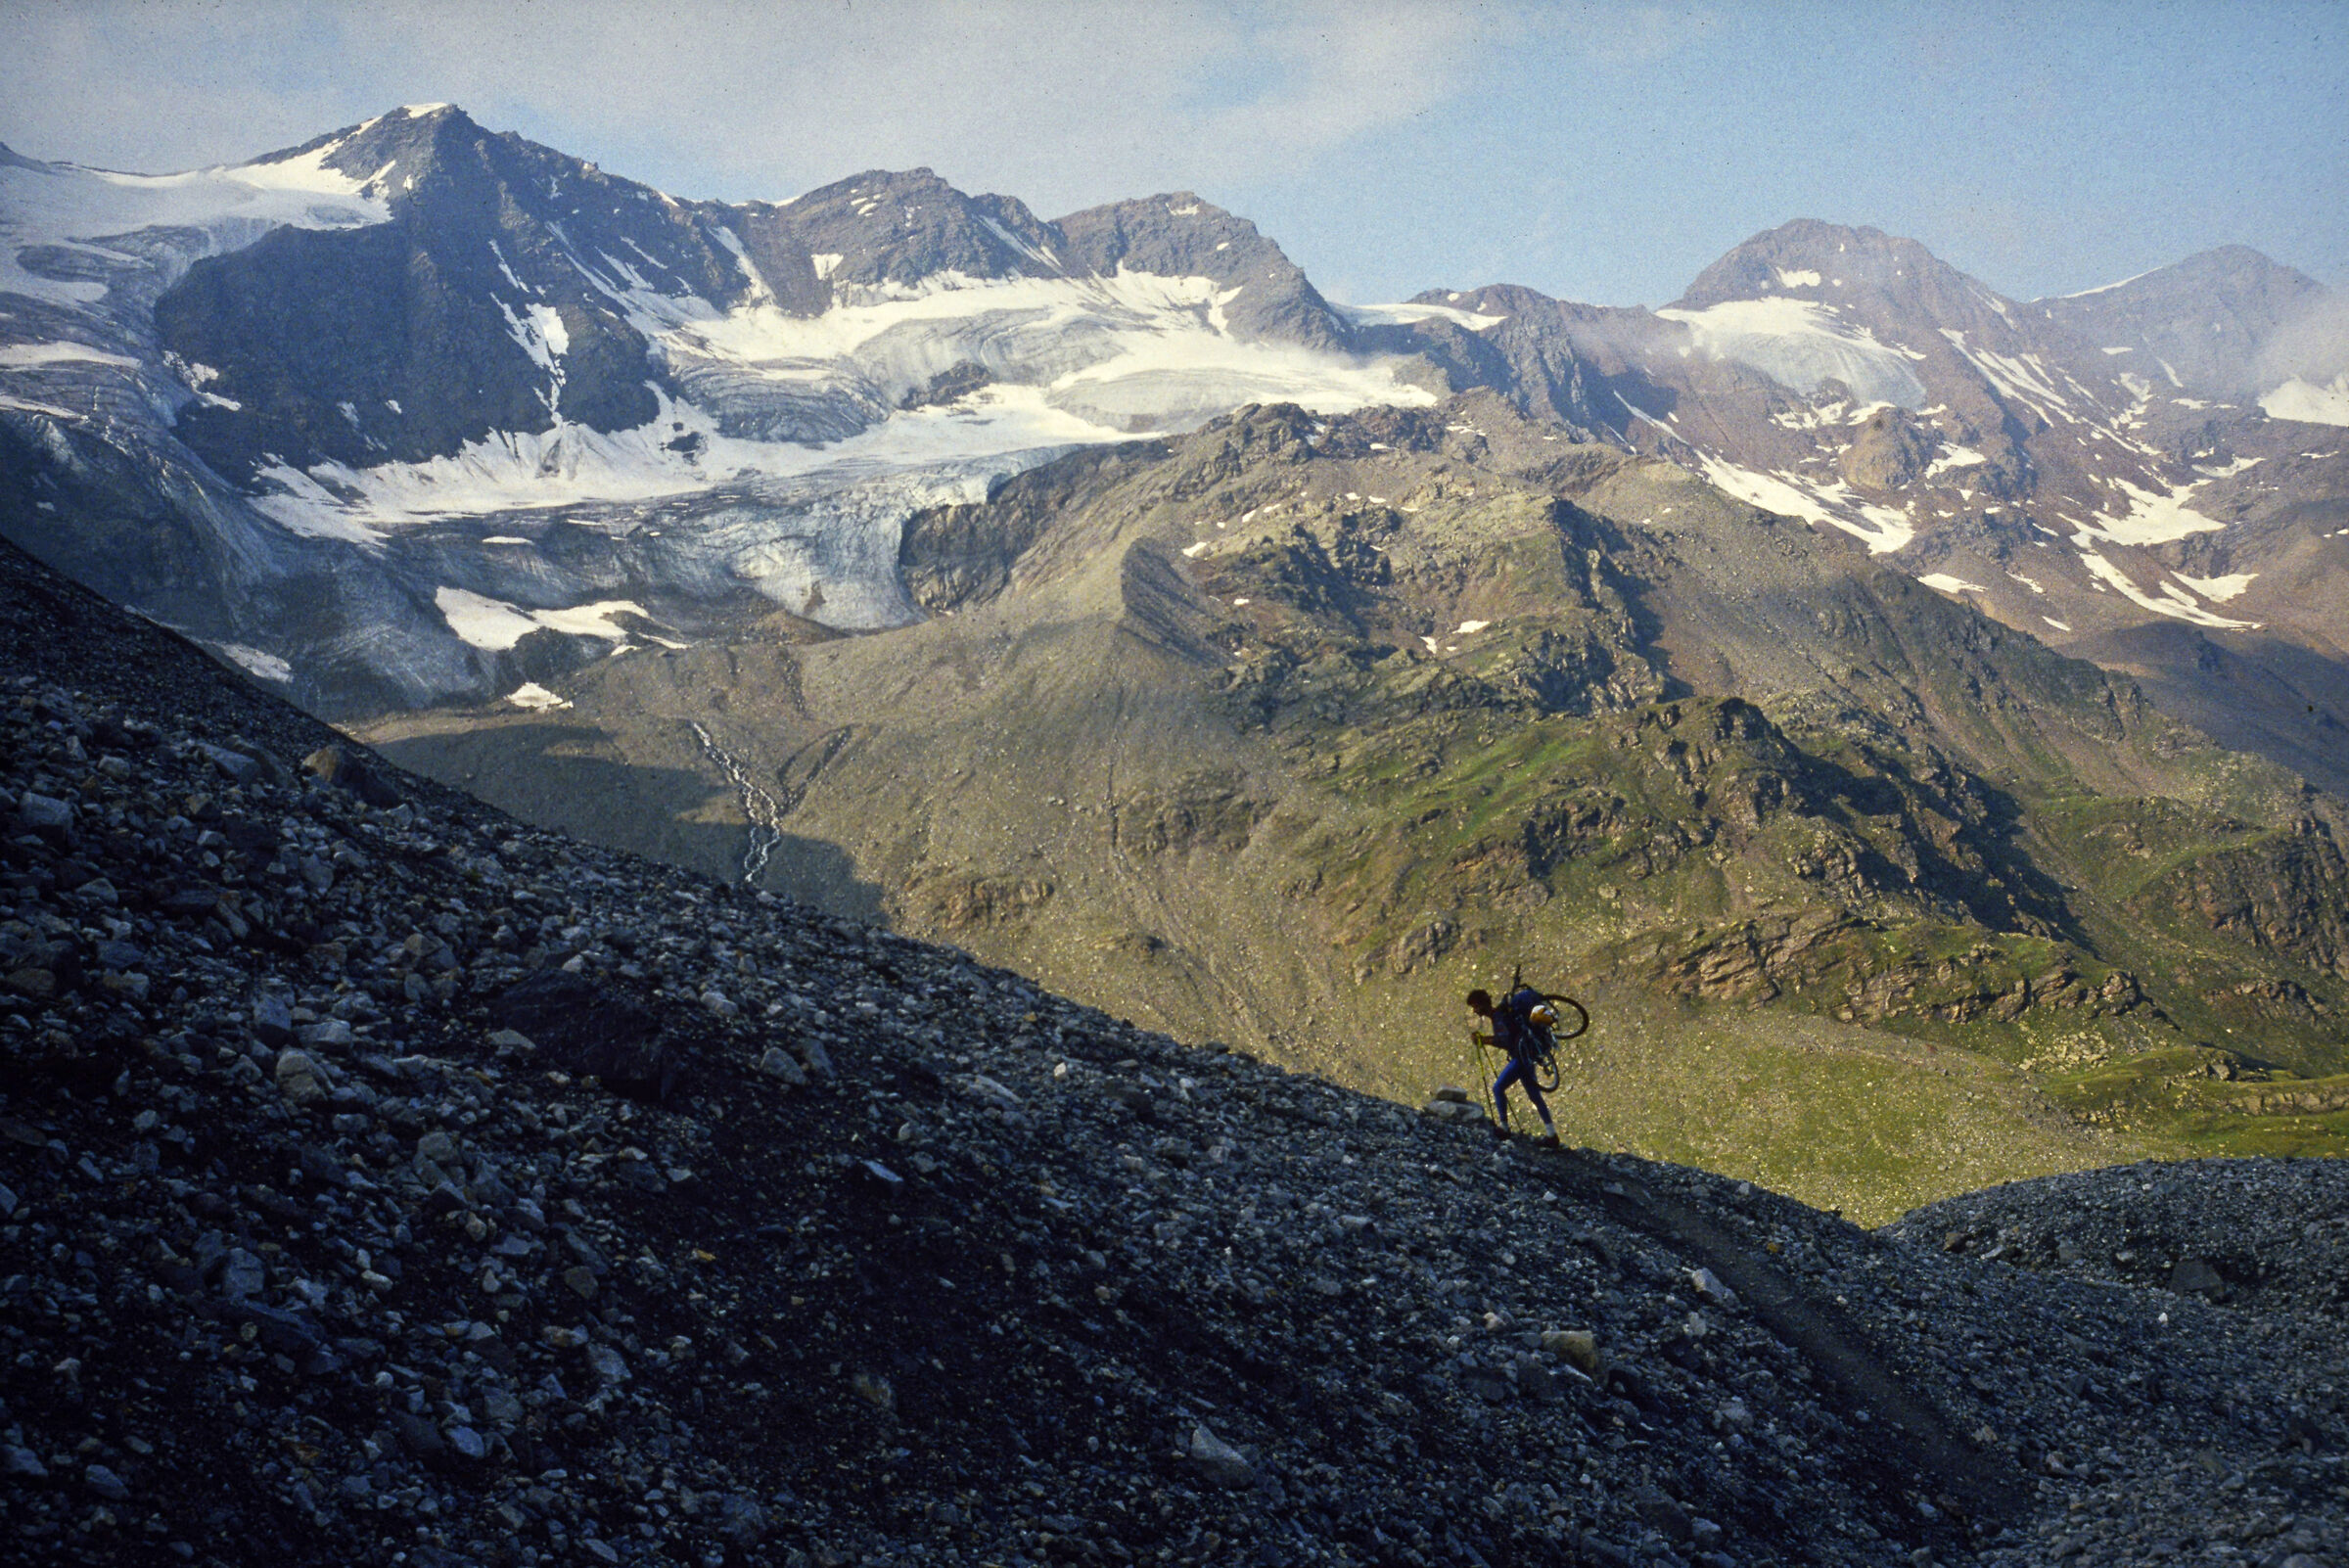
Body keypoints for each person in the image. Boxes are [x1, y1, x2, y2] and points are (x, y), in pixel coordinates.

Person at [1467, 986, 1560, 1145]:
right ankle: (1552, 1135)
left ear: (1482, 1005)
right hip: (1527, 1056)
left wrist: (1484, 1040)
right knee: (1534, 1096)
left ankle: (1504, 1128)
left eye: (1475, 1006)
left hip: (1520, 1059)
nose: (1475, 1011)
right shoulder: (1501, 1014)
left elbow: (1504, 1040)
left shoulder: (1499, 1017)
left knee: (1498, 1088)